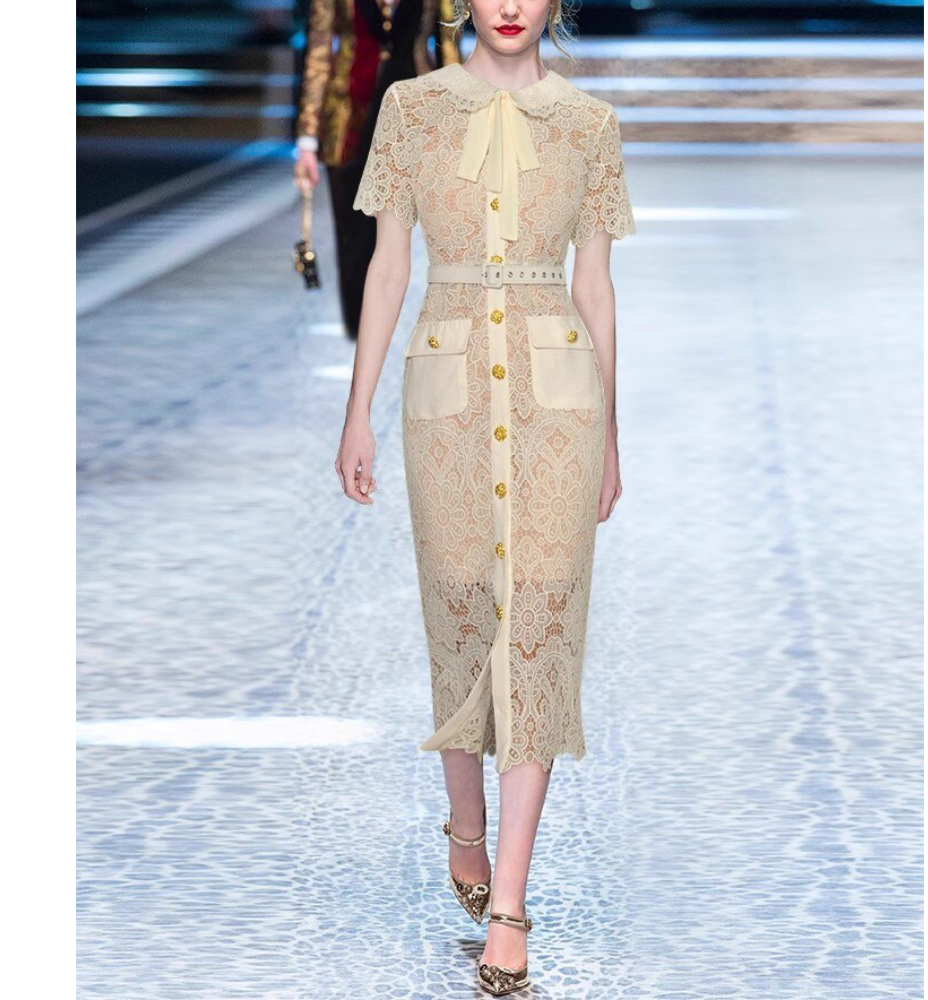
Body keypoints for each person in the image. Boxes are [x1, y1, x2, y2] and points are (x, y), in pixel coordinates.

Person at [336, 0, 635, 993]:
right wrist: (357, 411)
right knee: (462, 610)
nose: (509, 6)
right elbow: (388, 267)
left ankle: (510, 905)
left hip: (558, 400)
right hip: (447, 391)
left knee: (541, 626)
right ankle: (463, 820)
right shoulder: (412, 109)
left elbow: (595, 287)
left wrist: (610, 430)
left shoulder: (588, 122)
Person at [292, 0, 462, 340]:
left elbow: (449, 47)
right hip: (349, 115)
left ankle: (433, 330)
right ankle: (361, 331)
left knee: (426, 231)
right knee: (353, 236)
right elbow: (319, 53)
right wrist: (308, 140)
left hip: (417, 118)